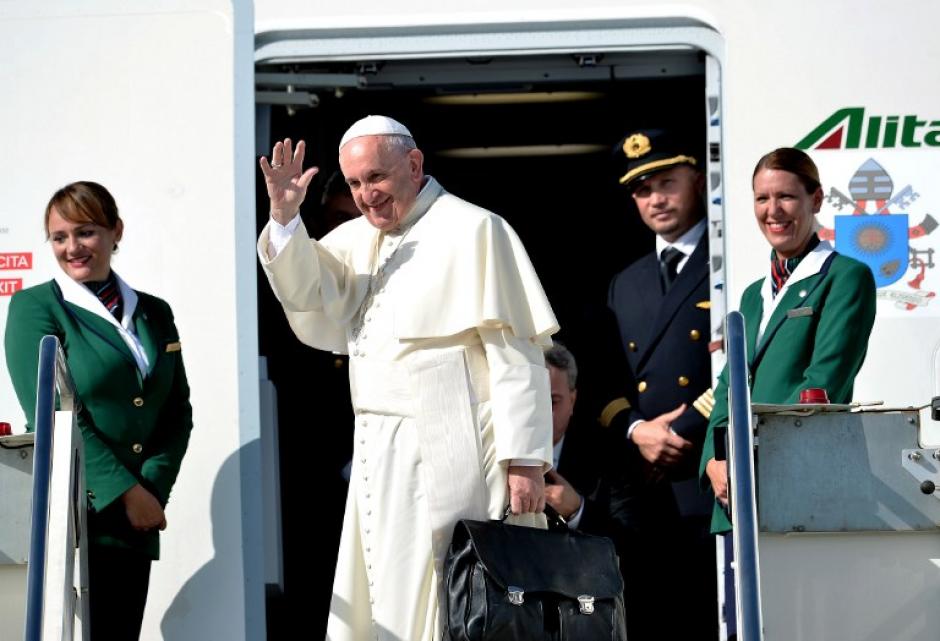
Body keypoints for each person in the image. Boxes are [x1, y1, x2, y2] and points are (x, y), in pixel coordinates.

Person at [256, 115, 557, 641]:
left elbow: (517, 352)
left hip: (454, 435)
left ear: (414, 165)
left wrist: (526, 460)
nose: (366, 195)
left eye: (376, 177)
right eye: (355, 183)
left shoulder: (475, 229)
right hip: (377, 444)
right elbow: (308, 292)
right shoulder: (356, 237)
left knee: (451, 589)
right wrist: (284, 219)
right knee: (382, 588)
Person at [4, 181, 194, 640]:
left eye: (85, 232)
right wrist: (126, 493)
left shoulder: (155, 312)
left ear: (116, 231)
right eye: (59, 237)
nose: (72, 248)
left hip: (136, 522)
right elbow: (51, 413)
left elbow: (176, 412)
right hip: (77, 513)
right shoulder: (36, 307)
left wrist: (152, 489)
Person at [699, 147, 877, 637]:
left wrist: (752, 458)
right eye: (762, 198)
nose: (773, 211)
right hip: (737, 498)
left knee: (803, 627)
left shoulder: (846, 277)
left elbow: (823, 383)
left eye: (786, 197)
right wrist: (714, 460)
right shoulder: (752, 295)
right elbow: (728, 389)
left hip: (797, 486)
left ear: (815, 200)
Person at [604, 129, 718, 640]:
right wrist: (637, 431)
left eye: (667, 183)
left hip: (704, 468)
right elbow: (603, 377)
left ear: (698, 181)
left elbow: (744, 362)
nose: (656, 199)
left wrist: (679, 431)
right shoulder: (626, 281)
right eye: (642, 190)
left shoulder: (727, 260)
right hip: (642, 484)